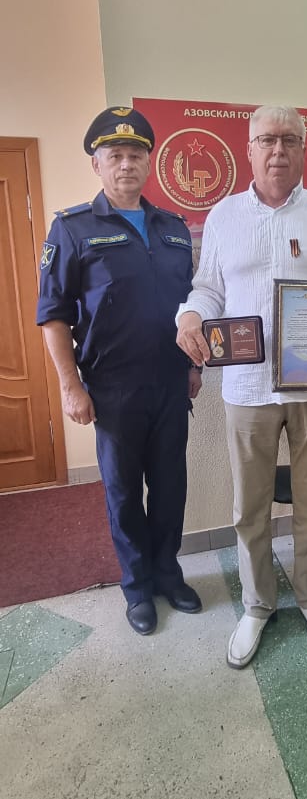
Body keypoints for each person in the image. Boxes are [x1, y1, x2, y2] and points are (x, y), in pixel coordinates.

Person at [176, 105, 307, 669]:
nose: (278, 150)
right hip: (246, 390)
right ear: (249, 149)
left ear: (304, 149)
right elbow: (208, 287)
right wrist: (190, 314)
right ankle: (257, 603)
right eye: (267, 140)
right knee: (250, 507)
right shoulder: (223, 215)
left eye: (290, 140)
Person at [37, 106, 203, 635]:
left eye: (135, 154)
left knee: (171, 486)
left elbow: (189, 304)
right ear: (97, 164)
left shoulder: (173, 228)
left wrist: (193, 366)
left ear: (149, 162)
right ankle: (137, 586)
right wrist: (70, 387)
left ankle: (168, 574)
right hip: (112, 388)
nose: (126, 164)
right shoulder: (72, 228)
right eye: (115, 156)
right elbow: (53, 315)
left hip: (171, 382)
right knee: (124, 491)